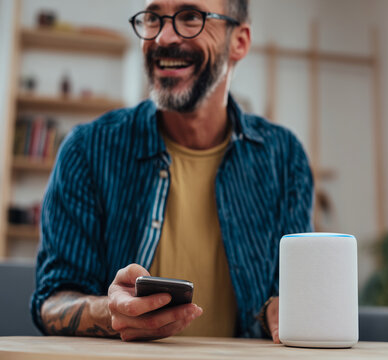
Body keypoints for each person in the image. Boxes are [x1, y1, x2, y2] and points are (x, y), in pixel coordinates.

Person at [30, 0, 313, 342]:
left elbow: (291, 292)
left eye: (190, 16)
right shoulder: (86, 150)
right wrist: (111, 312)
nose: (163, 38)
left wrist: (281, 310)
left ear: (239, 41)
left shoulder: (284, 157)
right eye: (153, 18)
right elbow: (51, 301)